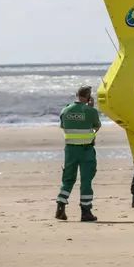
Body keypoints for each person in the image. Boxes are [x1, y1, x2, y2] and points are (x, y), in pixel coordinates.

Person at [55, 86, 101, 222]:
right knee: (86, 180)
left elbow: (64, 127)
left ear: (77, 95)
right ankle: (85, 211)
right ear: (88, 97)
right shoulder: (90, 111)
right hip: (86, 150)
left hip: (70, 150)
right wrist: (91, 108)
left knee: (68, 179)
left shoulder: (65, 110)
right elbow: (96, 127)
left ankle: (60, 207)